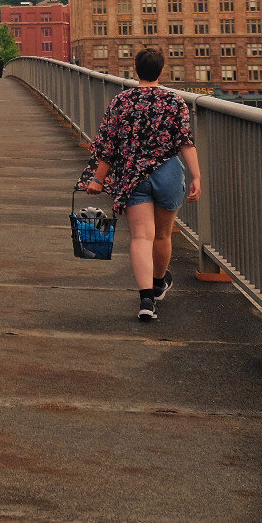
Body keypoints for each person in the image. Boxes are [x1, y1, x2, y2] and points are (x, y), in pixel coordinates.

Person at [80, 47, 201, 322]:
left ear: (136, 70)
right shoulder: (174, 100)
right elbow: (184, 141)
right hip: (168, 171)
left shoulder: (121, 101)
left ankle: (146, 300)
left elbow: (107, 146)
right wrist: (196, 176)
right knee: (162, 236)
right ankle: (159, 283)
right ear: (161, 71)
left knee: (141, 237)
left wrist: (98, 178)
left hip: (132, 174)